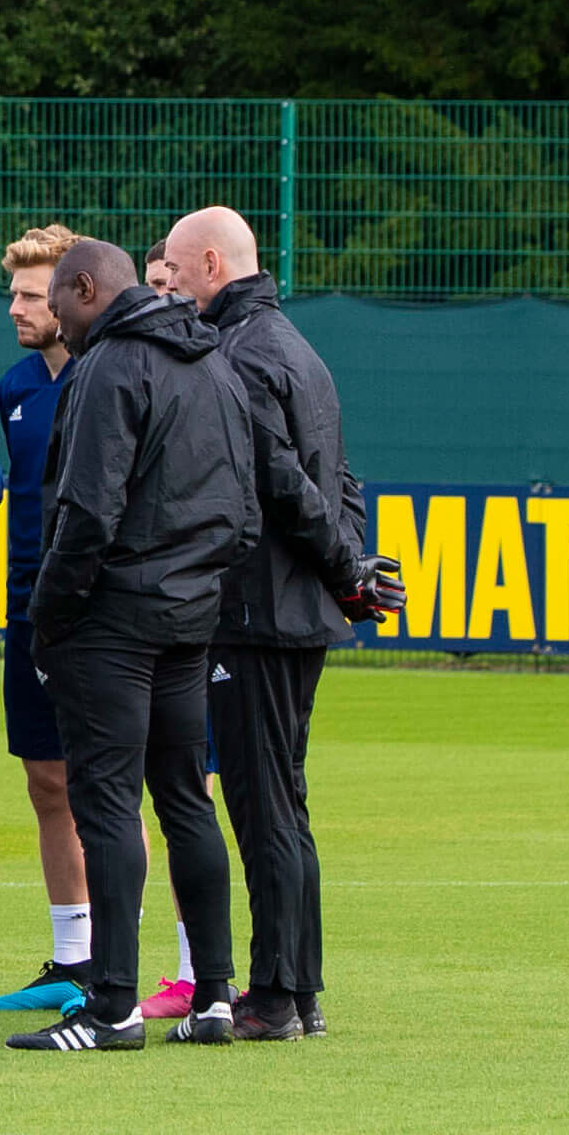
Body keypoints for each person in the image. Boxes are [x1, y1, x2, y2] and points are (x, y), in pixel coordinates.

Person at [5, 235, 327, 1051]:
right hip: (193, 619)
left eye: (57, 302)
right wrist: (201, 583)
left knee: (107, 805)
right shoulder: (214, 358)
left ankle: (110, 1006)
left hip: (112, 620)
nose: (55, 321)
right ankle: (214, 996)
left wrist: (49, 615)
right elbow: (248, 505)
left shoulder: (110, 366)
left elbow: (85, 510)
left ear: (85, 288)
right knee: (187, 802)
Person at [162, 207, 399, 1041]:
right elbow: (340, 479)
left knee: (262, 806)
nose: (176, 288)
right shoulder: (297, 348)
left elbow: (285, 482)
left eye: (182, 272)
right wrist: (351, 570)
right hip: (299, 608)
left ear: (215, 264)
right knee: (284, 804)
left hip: (256, 610)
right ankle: (299, 989)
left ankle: (271, 994)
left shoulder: (239, 356)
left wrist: (343, 567)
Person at [0, 225, 95, 1017]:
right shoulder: (17, 385)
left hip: (96, 614)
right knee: (45, 780)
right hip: (26, 610)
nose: (18, 307)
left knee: (111, 788)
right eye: (15, 293)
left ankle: (118, 958)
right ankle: (72, 956)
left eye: (32, 294)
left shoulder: (110, 377)